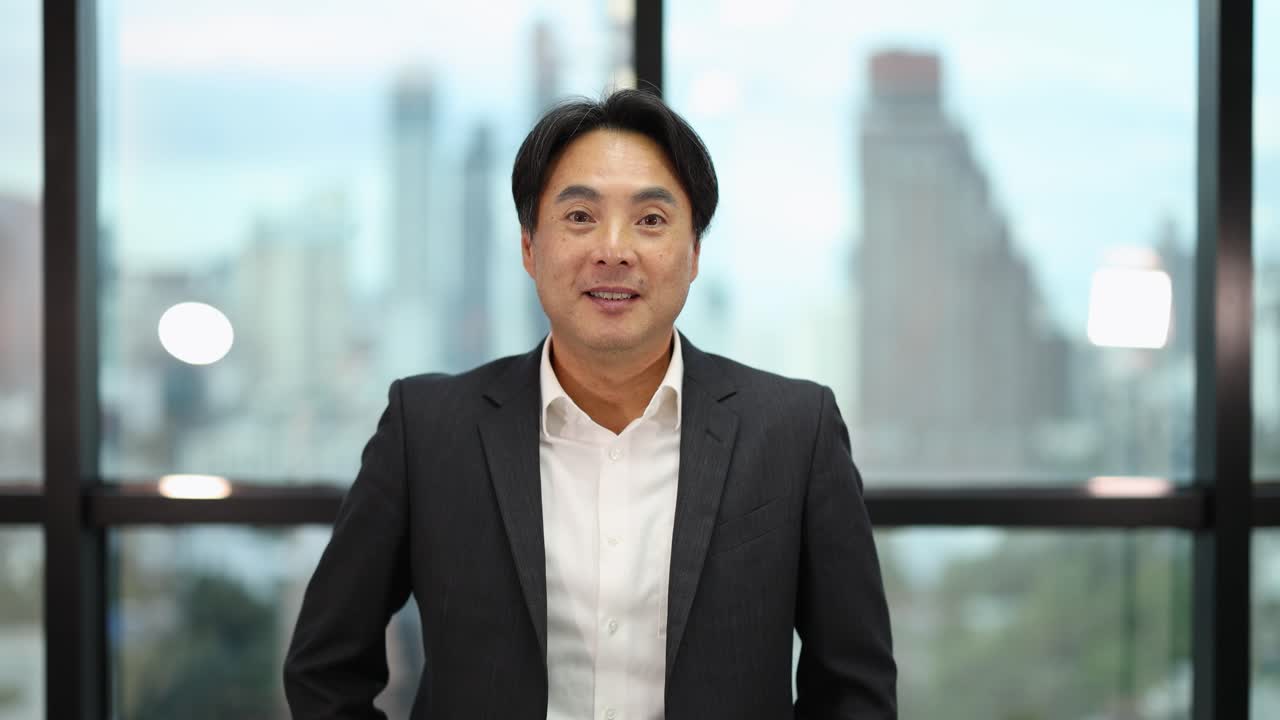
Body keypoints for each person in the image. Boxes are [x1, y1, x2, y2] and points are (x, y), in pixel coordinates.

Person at [283, 88, 896, 719]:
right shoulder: (429, 430)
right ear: (529, 247)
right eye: (579, 217)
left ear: (693, 256)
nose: (614, 249)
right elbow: (325, 668)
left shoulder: (795, 431)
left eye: (651, 220)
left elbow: (855, 689)